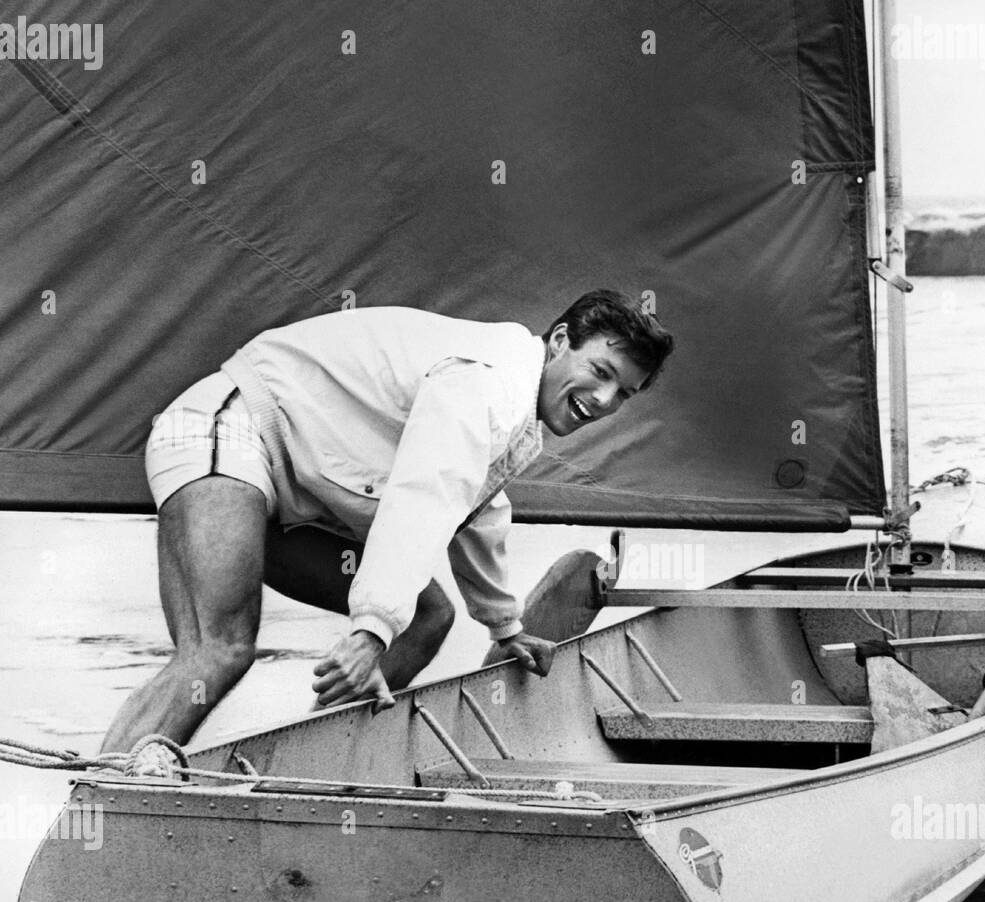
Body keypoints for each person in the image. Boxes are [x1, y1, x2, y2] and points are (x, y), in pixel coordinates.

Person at [101, 290, 674, 767]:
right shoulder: (490, 380)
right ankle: (99, 798)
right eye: (600, 371)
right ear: (557, 342)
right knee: (219, 648)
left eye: (623, 393)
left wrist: (505, 626)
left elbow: (479, 509)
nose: (603, 400)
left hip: (292, 497)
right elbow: (425, 493)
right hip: (226, 431)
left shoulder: (516, 407)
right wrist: (370, 629)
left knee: (428, 619)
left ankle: (309, 772)